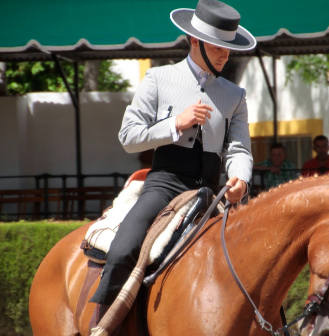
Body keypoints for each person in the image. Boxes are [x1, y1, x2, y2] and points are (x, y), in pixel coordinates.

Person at [89, 0, 257, 317]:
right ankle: (103, 323)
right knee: (125, 248)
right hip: (164, 185)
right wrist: (175, 124)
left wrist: (241, 180)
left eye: (229, 47)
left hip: (211, 190)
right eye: (218, 46)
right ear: (195, 40)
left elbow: (239, 150)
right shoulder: (158, 78)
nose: (226, 54)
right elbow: (128, 137)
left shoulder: (235, 95)